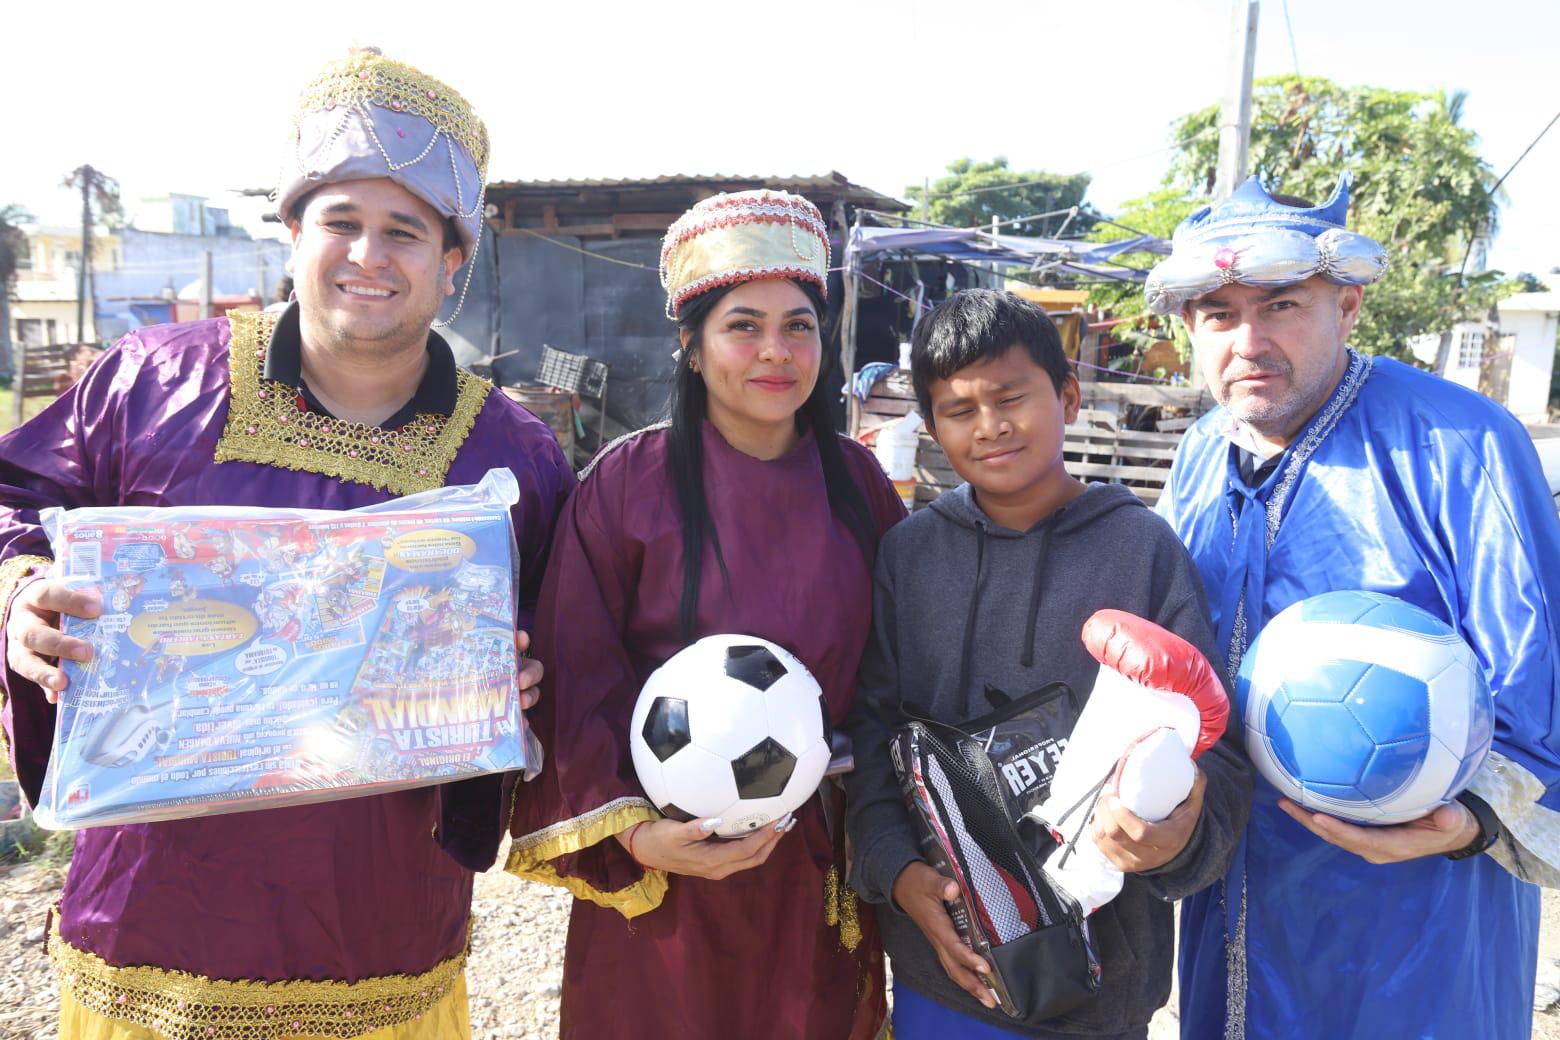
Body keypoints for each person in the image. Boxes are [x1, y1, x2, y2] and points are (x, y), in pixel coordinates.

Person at [0, 49, 573, 1039]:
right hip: (146, 924)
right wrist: (22, 590)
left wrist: (525, 679)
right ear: (292, 232)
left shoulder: (510, 454)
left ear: (452, 261)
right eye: (340, 221)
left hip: (383, 937)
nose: (367, 255)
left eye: (405, 230)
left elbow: (566, 637)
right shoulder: (147, 382)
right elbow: (15, 496)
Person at [1150, 173, 1560, 1038]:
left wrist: (1466, 822)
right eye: (1219, 315)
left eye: (1283, 306)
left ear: (1350, 306)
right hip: (1230, 882)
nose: (1249, 341)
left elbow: (1535, 686)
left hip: (1414, 915)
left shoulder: (1463, 443)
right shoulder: (1196, 454)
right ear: (1190, 329)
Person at [506, 189, 906, 1039]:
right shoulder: (626, 486)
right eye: (742, 326)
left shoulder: (860, 485)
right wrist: (641, 842)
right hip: (662, 880)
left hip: (811, 868)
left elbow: (899, 673)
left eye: (799, 325)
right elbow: (576, 675)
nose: (776, 351)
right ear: (690, 347)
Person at [839, 288, 1250, 1040]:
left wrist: (1178, 830)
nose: (990, 426)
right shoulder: (909, 554)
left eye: (1010, 397)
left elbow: (1212, 740)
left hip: (1103, 981)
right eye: (959, 411)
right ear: (930, 427)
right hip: (944, 966)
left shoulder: (1142, 552)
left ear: (1066, 394)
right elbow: (873, 729)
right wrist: (898, 872)